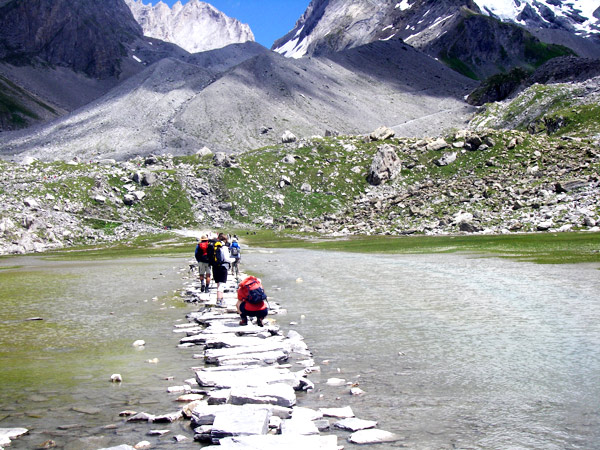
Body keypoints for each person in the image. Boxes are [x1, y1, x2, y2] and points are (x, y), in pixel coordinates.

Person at [213, 232, 236, 307]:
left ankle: (220, 298)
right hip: (223, 267)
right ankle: (219, 300)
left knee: (218, 283)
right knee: (222, 284)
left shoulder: (215, 247)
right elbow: (226, 258)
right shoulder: (224, 248)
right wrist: (233, 260)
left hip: (215, 267)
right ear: (225, 240)